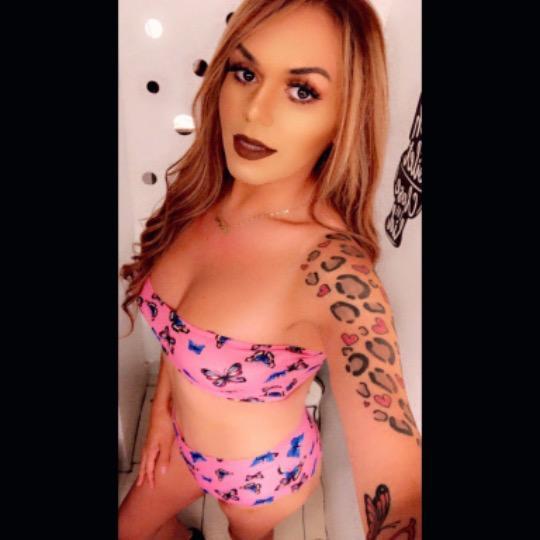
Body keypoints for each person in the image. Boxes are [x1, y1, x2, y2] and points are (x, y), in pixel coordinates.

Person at [118, 1, 422, 539]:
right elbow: (179, 335)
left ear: (345, 117)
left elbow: (401, 489)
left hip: (263, 479)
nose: (255, 111)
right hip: (181, 444)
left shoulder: (335, 275)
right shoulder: (199, 197)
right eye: (245, 73)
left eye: (302, 90)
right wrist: (162, 412)